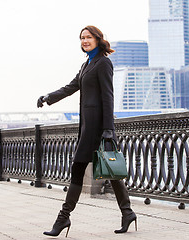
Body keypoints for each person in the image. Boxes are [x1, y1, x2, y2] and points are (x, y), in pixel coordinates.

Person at [37, 25, 137, 237]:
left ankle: (63, 218)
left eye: (88, 37)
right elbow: (70, 87)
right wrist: (48, 97)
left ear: (97, 39)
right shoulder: (86, 65)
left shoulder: (103, 63)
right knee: (112, 173)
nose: (84, 41)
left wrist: (108, 129)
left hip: (99, 128)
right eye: (82, 38)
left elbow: (108, 96)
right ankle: (127, 213)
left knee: (78, 169)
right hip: (88, 127)